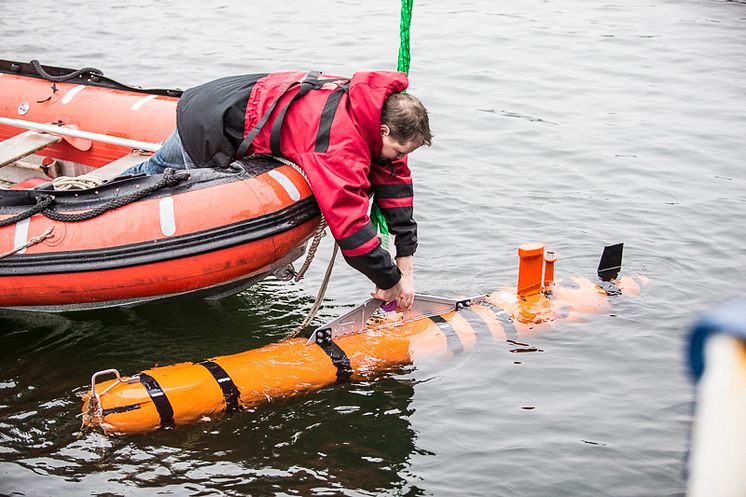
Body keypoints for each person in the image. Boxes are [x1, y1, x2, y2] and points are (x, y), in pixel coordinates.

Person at [124, 71, 432, 311]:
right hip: (212, 121)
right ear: (384, 131)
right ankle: (96, 203)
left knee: (156, 173)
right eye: (397, 150)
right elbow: (350, 228)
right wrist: (389, 280)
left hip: (233, 100)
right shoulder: (339, 144)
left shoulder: (369, 105)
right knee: (155, 179)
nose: (396, 158)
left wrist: (405, 255)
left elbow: (394, 178)